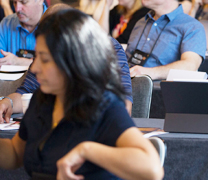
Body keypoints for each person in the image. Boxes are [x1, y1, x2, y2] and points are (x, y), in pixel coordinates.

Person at [0, 9, 164, 180]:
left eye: (45, 59)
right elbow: (15, 152)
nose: (34, 68)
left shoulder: (103, 106)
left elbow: (152, 169)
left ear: (71, 61)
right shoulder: (42, 100)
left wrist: (86, 150)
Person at [0, 3, 133, 123]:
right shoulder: (46, 49)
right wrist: (8, 102)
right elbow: (25, 92)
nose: (35, 68)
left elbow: (124, 107)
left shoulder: (108, 48)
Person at [126, 0, 206, 80]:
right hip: (124, 86)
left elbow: (190, 66)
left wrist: (149, 73)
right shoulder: (141, 22)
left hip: (157, 90)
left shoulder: (191, 26)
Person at [0, 0, 47, 66]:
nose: (17, 9)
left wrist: (18, 61)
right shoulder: (5, 24)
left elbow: (57, 66)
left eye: (23, 2)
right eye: (15, 2)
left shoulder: (58, 25)